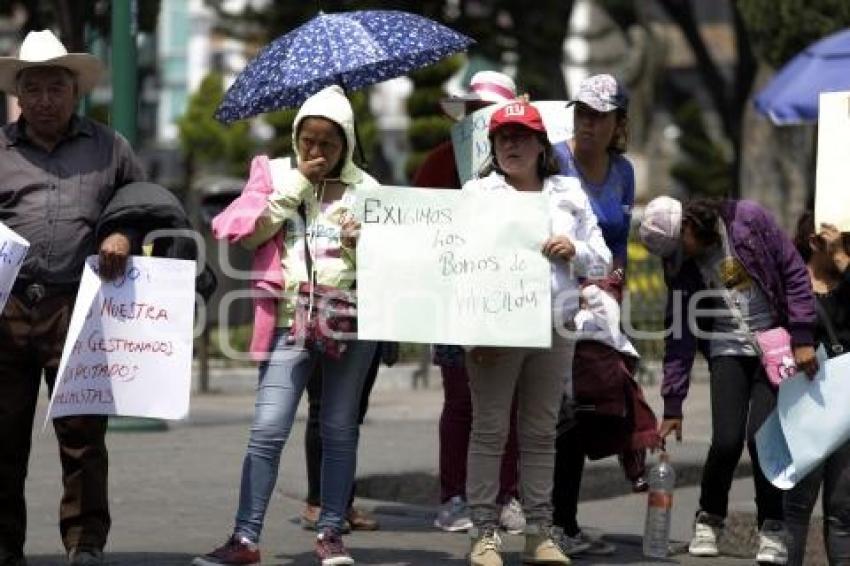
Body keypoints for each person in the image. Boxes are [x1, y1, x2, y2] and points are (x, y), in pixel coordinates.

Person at [194, 85, 378, 566]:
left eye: (328, 144)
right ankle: (245, 538)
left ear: (348, 145)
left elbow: (390, 265)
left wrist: (361, 243)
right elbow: (246, 232)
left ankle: (332, 532)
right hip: (286, 319)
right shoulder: (275, 174)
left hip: (351, 321)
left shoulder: (368, 190)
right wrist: (296, 182)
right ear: (296, 137)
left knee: (339, 428)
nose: (316, 151)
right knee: (268, 428)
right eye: (307, 140)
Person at [0, 30, 146, 566]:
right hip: (7, 308)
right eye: (33, 88)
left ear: (75, 91)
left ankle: (86, 543)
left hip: (80, 307)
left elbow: (141, 204)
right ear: (18, 93)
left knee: (83, 436)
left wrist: (122, 235)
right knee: (3, 435)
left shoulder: (111, 147)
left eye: (55, 88)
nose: (44, 99)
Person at [463, 101, 611, 566]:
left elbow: (603, 259)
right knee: (490, 429)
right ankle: (484, 533)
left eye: (521, 136)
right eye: (503, 136)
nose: (511, 144)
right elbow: (454, 264)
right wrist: (474, 331)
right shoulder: (476, 193)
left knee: (541, 432)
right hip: (495, 328)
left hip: (556, 324)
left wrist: (576, 250)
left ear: (540, 144)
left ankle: (539, 532)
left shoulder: (567, 191)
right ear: (492, 145)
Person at [639, 196, 819, 564]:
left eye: (678, 247)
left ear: (689, 225)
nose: (677, 259)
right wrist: (673, 403)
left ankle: (772, 528)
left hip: (774, 346)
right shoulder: (682, 268)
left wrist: (802, 336)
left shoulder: (747, 221)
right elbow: (680, 334)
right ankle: (709, 518)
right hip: (726, 348)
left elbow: (794, 272)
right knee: (725, 440)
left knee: (762, 439)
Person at [412, 70, 525, 535]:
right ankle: (455, 496)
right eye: (475, 113)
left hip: (511, 298)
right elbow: (415, 229)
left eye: (488, 114)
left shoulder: (528, 167)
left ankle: (510, 495)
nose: (481, 122)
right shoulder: (440, 163)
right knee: (461, 400)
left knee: (512, 402)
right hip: (454, 299)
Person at [549, 73, 652, 557]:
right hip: (554, 297)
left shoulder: (624, 172)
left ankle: (561, 521)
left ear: (618, 123)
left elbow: (619, 243)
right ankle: (550, 521)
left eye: (599, 116)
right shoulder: (553, 156)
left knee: (587, 410)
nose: (587, 124)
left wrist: (618, 299)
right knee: (557, 413)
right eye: (582, 113)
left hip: (601, 306)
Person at [787, 213, 850, 566]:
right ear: (815, 242)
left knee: (842, 510)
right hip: (805, 406)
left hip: (846, 407)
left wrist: (842, 258)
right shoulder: (793, 283)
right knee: (796, 506)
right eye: (836, 240)